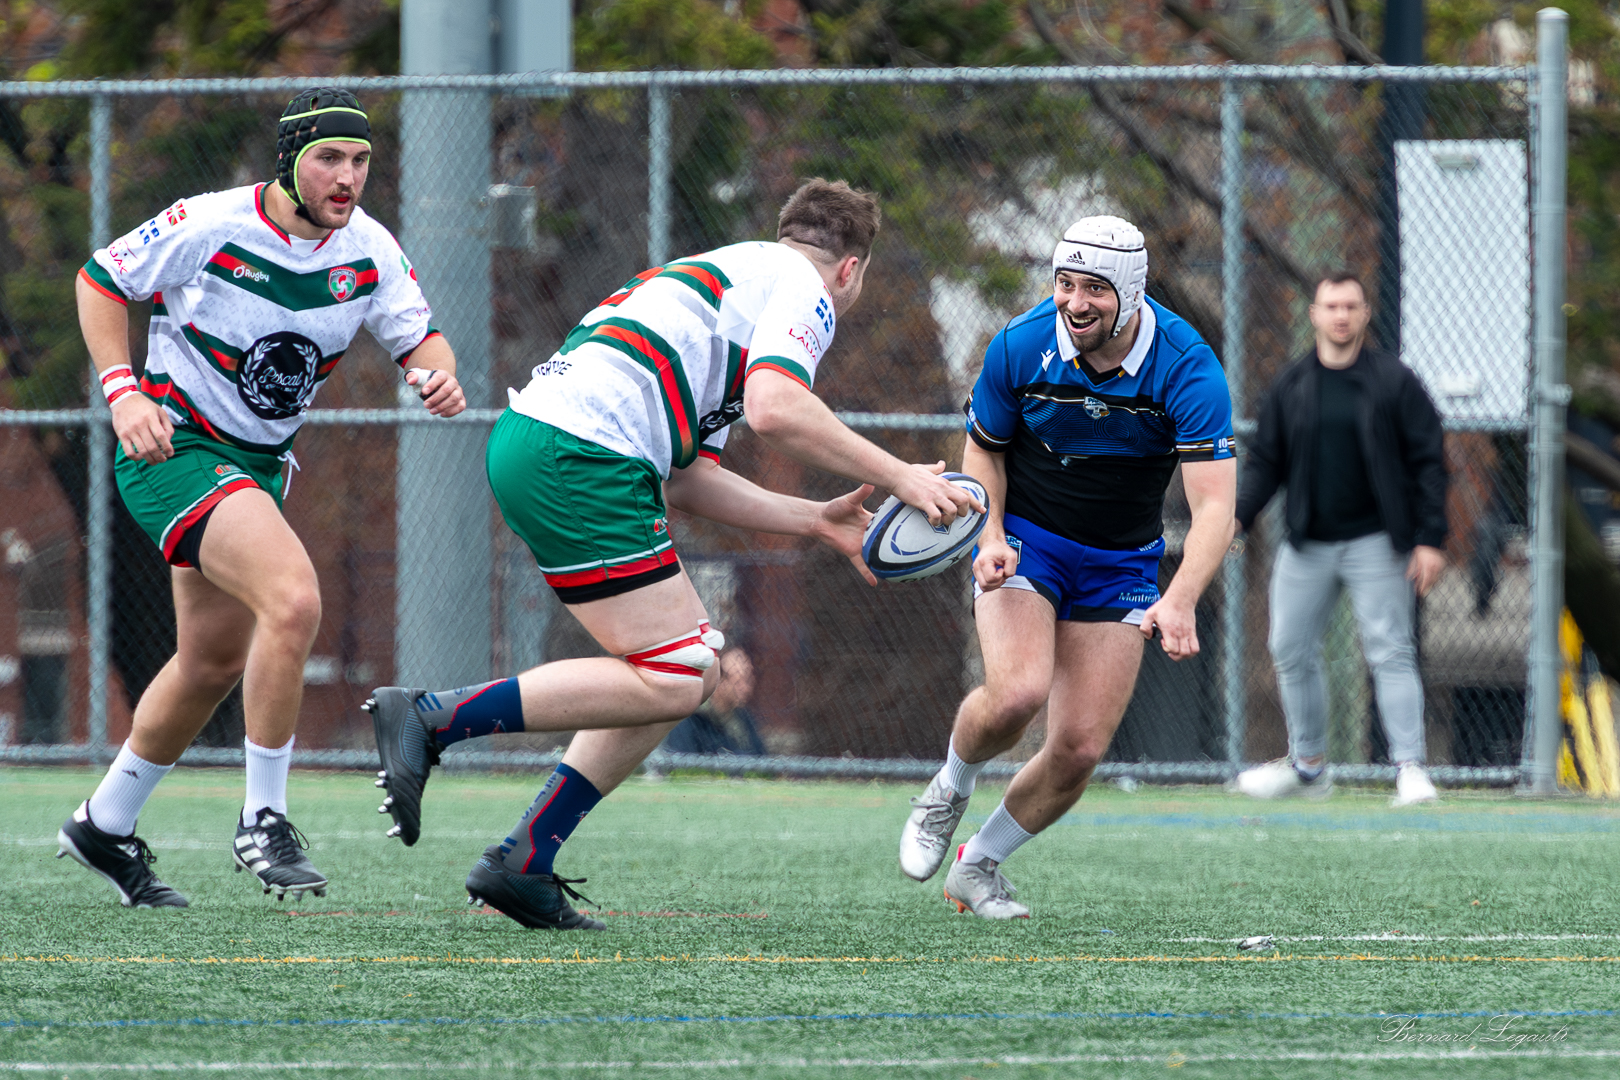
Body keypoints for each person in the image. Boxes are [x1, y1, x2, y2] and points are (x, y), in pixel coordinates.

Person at [364, 179, 978, 931]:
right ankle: (432, 719)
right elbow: (776, 408)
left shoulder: (733, 279)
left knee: (685, 666)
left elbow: (689, 480)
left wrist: (818, 520)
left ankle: (526, 858)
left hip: (550, 446)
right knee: (683, 671)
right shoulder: (803, 289)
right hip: (580, 453)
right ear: (851, 269)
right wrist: (900, 474)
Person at [58, 88, 465, 908]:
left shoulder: (371, 250)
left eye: (359, 161)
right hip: (174, 448)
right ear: (289, 160)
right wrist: (121, 392)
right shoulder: (211, 223)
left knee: (209, 660)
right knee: (293, 598)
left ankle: (103, 823)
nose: (346, 177)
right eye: (328, 159)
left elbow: (420, 334)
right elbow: (100, 280)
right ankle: (263, 819)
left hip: (258, 466)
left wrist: (437, 371)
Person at [897, 216, 1237, 920]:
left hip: (1122, 563)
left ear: (1133, 294)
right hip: (1029, 541)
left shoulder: (1187, 364)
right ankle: (947, 791)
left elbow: (1214, 510)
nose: (1076, 302)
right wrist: (988, 533)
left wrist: (1179, 599)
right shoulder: (1020, 345)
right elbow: (983, 450)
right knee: (1017, 693)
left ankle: (978, 865)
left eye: (1096, 289)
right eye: (1066, 284)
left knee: (1078, 747)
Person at [1231, 272, 1447, 806]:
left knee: (1390, 650)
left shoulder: (1394, 381)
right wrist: (1235, 518)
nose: (1341, 316)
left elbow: (1429, 462)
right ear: (1315, 314)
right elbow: (1265, 464)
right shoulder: (1292, 384)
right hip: (1307, 543)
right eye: (1331, 306)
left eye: (1350, 305)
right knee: (1288, 647)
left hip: (1378, 541)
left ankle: (1410, 770)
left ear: (1365, 313)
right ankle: (1308, 769)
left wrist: (1430, 538)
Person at [661, 647, 767, 756]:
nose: (746, 688)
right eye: (738, 682)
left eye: (748, 680)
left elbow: (761, 756)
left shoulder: (744, 718)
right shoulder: (693, 719)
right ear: (719, 680)